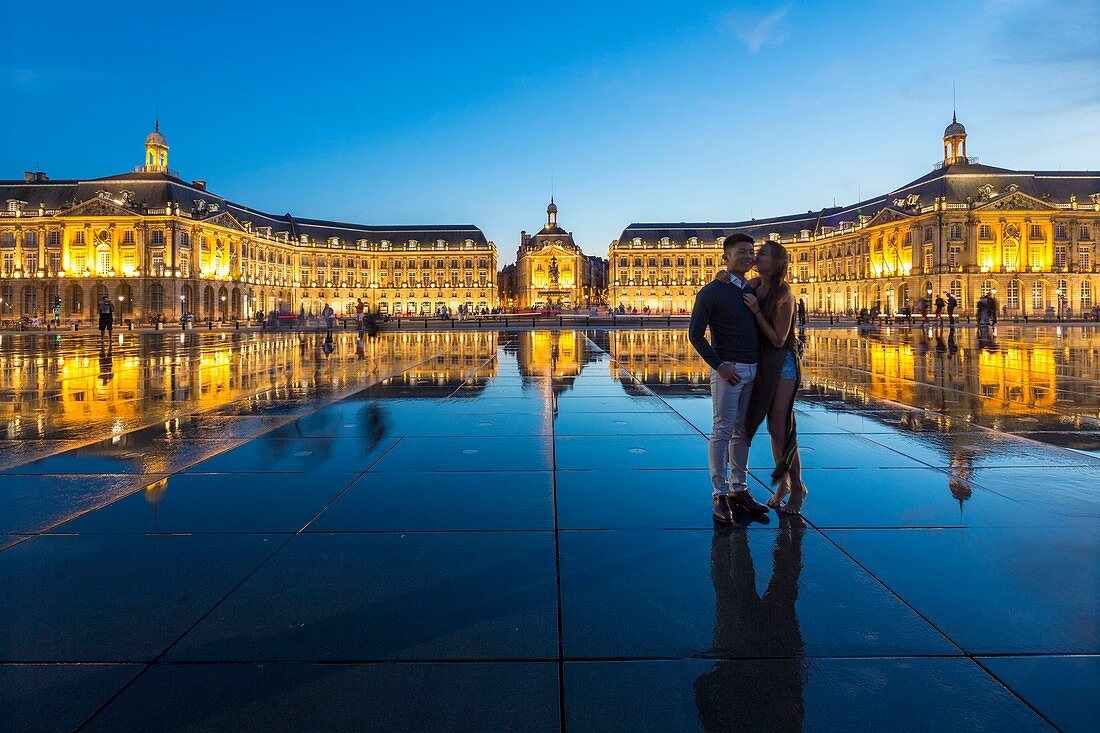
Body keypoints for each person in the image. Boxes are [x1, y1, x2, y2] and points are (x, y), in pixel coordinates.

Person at [689, 233, 768, 523]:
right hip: (729, 369)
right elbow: (695, 334)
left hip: (753, 368)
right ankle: (719, 493)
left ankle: (740, 489)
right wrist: (719, 365)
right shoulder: (711, 291)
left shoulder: (753, 288)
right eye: (741, 252)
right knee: (722, 430)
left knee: (742, 431)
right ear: (725, 257)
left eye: (751, 252)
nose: (748, 257)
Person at [741, 241, 807, 515]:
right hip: (766, 364)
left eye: (764, 254)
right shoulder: (757, 285)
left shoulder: (785, 294)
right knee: (774, 428)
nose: (757, 256)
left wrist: (756, 311)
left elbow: (780, 339)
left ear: (778, 262)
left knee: (781, 427)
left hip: (783, 364)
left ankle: (799, 488)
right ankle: (783, 484)